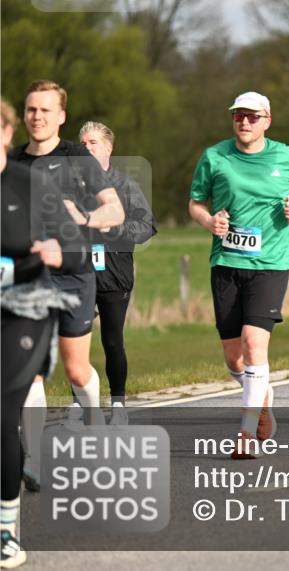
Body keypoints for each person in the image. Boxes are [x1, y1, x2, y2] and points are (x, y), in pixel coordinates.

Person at [189, 92, 289, 458]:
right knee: (233, 358)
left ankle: (244, 435)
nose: (244, 122)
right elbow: (196, 203)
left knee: (254, 344)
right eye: (238, 116)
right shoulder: (214, 157)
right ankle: (261, 395)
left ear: (267, 120)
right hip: (227, 263)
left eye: (252, 117)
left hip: (271, 264)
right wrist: (209, 221)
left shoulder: (286, 156)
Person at [11, 80, 124, 445]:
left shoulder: (77, 157)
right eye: (31, 110)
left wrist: (84, 218)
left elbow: (115, 210)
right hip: (28, 277)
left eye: (45, 110)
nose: (37, 116)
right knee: (32, 370)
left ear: (60, 115)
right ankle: (32, 458)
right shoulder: (13, 161)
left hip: (73, 274)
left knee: (76, 370)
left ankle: (96, 426)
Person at [2, 98, 89, 570]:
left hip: (23, 312)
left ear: (5, 133)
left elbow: (76, 247)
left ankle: (6, 532)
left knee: (2, 413)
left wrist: (58, 250)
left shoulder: (30, 183)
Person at [79, 122, 157, 425]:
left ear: (109, 148)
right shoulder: (70, 185)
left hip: (115, 273)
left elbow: (146, 227)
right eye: (83, 143)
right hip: (79, 273)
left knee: (112, 341)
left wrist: (113, 228)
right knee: (76, 341)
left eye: (93, 142)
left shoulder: (125, 186)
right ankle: (80, 408)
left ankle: (118, 405)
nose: (87, 148)